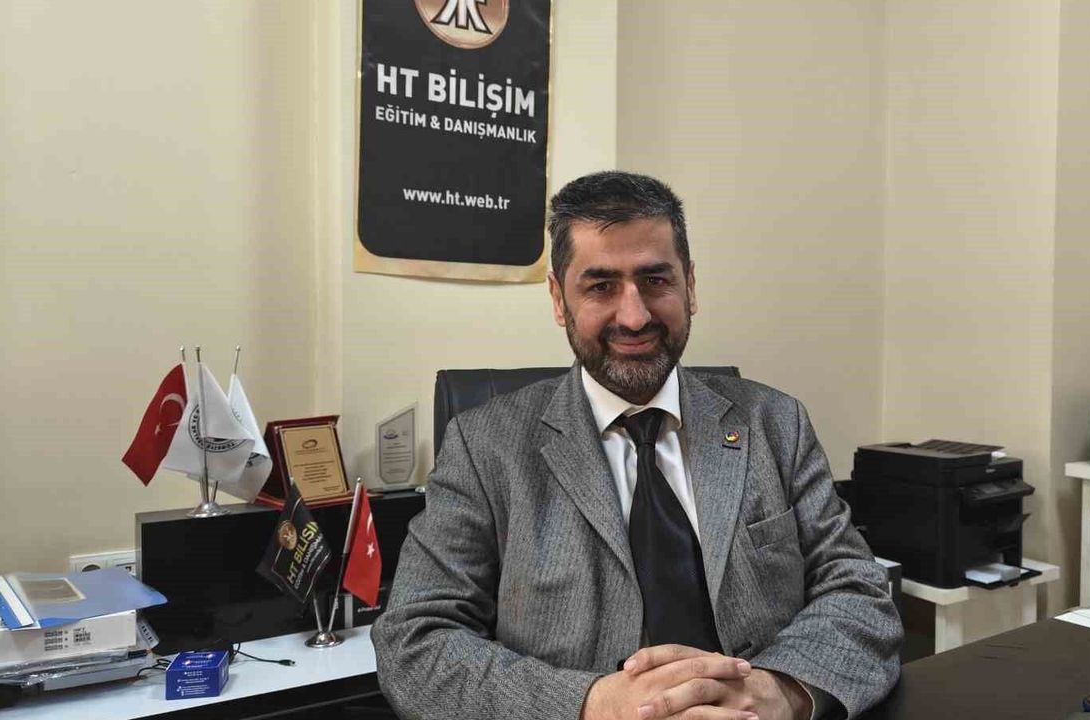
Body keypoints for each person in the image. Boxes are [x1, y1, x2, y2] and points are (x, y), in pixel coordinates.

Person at [373, 171, 902, 720]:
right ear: (558, 298)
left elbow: (859, 591)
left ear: (689, 286)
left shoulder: (776, 423)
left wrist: (781, 690)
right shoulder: (484, 447)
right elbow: (415, 642)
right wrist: (590, 705)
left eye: (655, 280)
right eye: (601, 286)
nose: (635, 316)